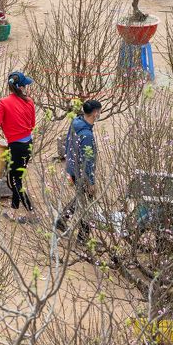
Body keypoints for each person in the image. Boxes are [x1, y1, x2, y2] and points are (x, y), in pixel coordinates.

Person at [0, 72, 37, 223]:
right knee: (17, 178)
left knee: (14, 181)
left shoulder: (4, 103)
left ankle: (31, 213)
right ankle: (13, 211)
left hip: (16, 146)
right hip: (28, 144)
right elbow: (33, 124)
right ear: (21, 87)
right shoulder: (29, 101)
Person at [57, 99, 102, 242]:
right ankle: (83, 237)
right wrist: (91, 182)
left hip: (72, 167)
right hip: (81, 173)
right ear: (95, 113)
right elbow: (87, 162)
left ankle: (62, 220)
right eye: (99, 111)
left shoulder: (76, 122)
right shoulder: (87, 136)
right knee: (87, 205)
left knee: (80, 199)